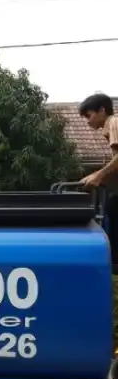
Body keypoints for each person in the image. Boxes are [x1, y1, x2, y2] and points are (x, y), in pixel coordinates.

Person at [79, 93, 118, 267]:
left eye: (89, 116)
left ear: (102, 110)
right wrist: (96, 176)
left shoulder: (113, 122)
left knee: (113, 206)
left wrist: (99, 175)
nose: (87, 121)